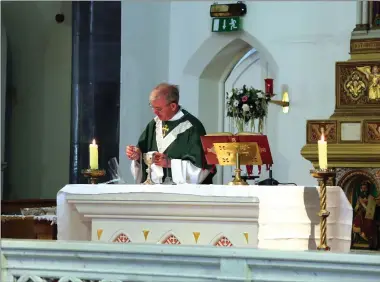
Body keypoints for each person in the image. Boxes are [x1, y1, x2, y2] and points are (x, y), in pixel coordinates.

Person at [126, 83, 215, 184]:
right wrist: (137, 156)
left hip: (182, 196)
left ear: (173, 106)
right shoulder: (154, 125)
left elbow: (201, 169)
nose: (154, 112)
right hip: (155, 192)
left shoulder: (192, 127)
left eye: (158, 109)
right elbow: (143, 156)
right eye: (152, 107)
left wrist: (170, 163)